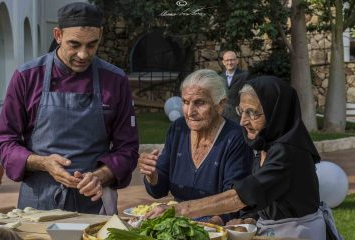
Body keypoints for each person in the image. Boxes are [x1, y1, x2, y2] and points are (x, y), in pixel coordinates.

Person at [0, 2, 139, 214]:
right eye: (74, 44)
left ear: (101, 35)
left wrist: (100, 176)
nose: (83, 54)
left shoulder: (115, 80)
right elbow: (5, 143)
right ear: (58, 35)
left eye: (91, 45)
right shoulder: (27, 77)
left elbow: (128, 149)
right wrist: (43, 163)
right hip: (37, 203)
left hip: (95, 202)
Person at [147, 76, 327, 239]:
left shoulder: (288, 152)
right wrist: (249, 218)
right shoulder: (265, 145)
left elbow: (240, 196)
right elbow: (266, 197)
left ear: (276, 112)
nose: (243, 121)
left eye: (252, 113)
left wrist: (180, 209)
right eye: (242, 111)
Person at [138, 69, 253, 225]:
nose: (190, 112)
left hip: (214, 224)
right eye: (185, 102)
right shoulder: (178, 129)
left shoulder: (235, 137)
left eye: (199, 103)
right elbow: (159, 190)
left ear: (220, 104)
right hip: (177, 221)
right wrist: (152, 175)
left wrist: (208, 226)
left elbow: (234, 199)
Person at [220, 51, 247, 123]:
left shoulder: (245, 76)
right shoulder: (220, 78)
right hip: (223, 115)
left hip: (239, 115)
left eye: (232, 60)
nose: (230, 62)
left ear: (237, 61)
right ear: (223, 62)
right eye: (227, 60)